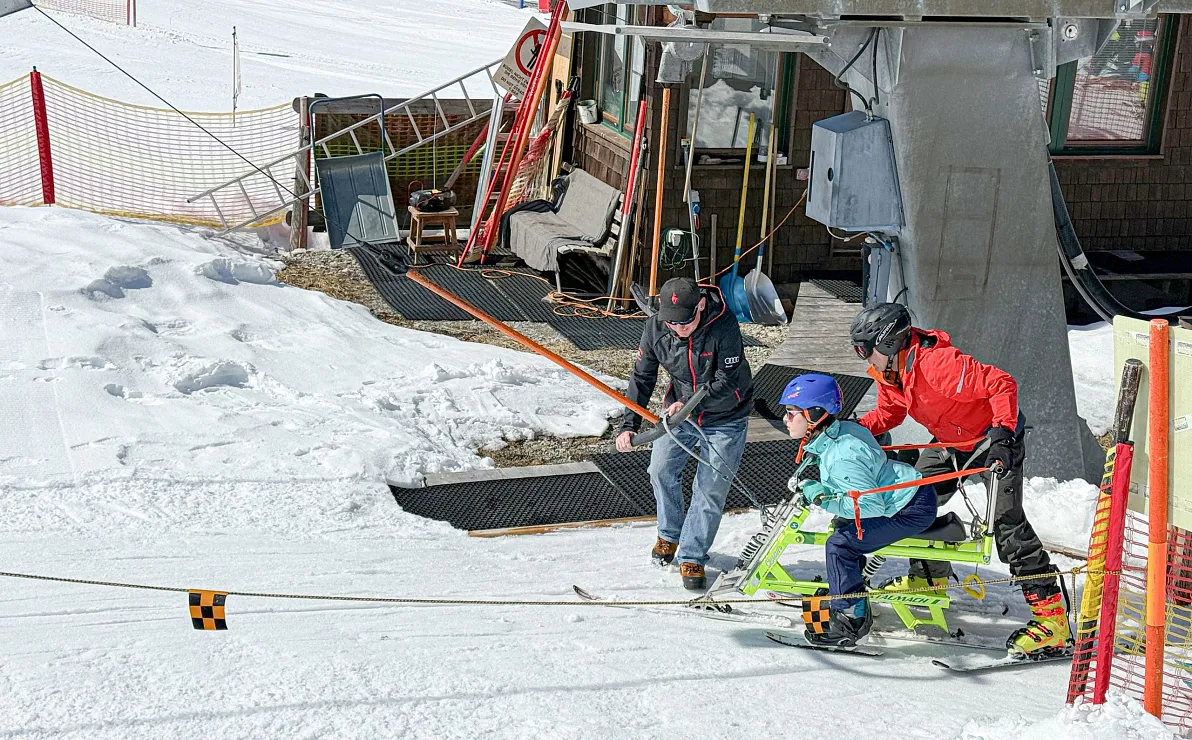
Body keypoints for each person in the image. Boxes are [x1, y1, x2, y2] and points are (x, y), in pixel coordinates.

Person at [850, 303, 1068, 657]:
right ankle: (929, 579)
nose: (863, 357)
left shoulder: (937, 365)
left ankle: (1053, 620)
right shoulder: (892, 374)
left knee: (1006, 525)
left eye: (865, 348)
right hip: (954, 442)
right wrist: (852, 430)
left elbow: (1002, 383)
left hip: (995, 439)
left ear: (888, 343)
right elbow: (891, 412)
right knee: (912, 500)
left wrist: (1002, 436)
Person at [616, 277, 754, 591]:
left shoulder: (724, 325)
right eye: (672, 324)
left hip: (726, 416)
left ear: (701, 306)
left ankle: (693, 554)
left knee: (710, 487)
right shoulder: (656, 326)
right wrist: (629, 425)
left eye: (686, 322)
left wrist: (693, 402)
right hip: (680, 412)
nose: (679, 330)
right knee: (660, 469)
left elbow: (728, 379)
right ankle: (669, 534)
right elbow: (642, 376)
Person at [781, 373, 938, 647]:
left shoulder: (841, 455)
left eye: (792, 412)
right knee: (844, 531)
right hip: (908, 494)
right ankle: (848, 590)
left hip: (909, 508)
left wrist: (822, 499)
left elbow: (870, 506)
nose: (785, 419)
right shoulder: (840, 431)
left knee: (840, 545)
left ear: (815, 414)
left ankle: (850, 618)